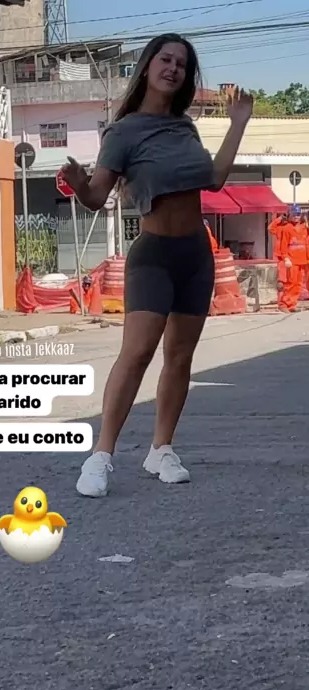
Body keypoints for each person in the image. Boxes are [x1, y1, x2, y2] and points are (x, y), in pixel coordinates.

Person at [60, 33, 253, 497]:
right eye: (166, 59)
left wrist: (238, 123)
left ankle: (160, 449)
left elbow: (215, 179)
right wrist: (78, 182)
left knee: (180, 357)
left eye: (181, 65)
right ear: (147, 66)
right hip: (153, 256)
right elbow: (95, 197)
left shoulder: (185, 128)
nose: (173, 69)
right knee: (137, 353)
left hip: (195, 256)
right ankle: (100, 456)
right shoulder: (123, 132)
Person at [278, 204, 308, 312]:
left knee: (298, 284)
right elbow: (283, 245)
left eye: (298, 214)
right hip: (292, 260)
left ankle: (291, 305)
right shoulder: (286, 228)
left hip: (303, 260)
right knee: (291, 283)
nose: (296, 216)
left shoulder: (305, 227)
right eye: (294, 214)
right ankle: (283, 304)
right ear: (290, 215)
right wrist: (286, 258)